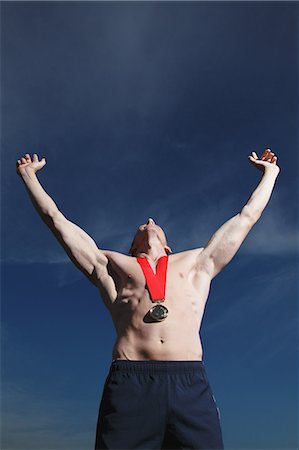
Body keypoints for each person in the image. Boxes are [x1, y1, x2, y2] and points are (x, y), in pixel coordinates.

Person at [16, 149, 280, 449]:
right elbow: (57, 222)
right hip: (132, 380)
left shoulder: (197, 263)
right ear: (132, 247)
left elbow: (246, 218)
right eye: (143, 225)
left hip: (188, 381)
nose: (150, 219)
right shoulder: (112, 267)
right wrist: (28, 177)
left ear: (168, 248)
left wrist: (270, 174)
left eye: (156, 223)